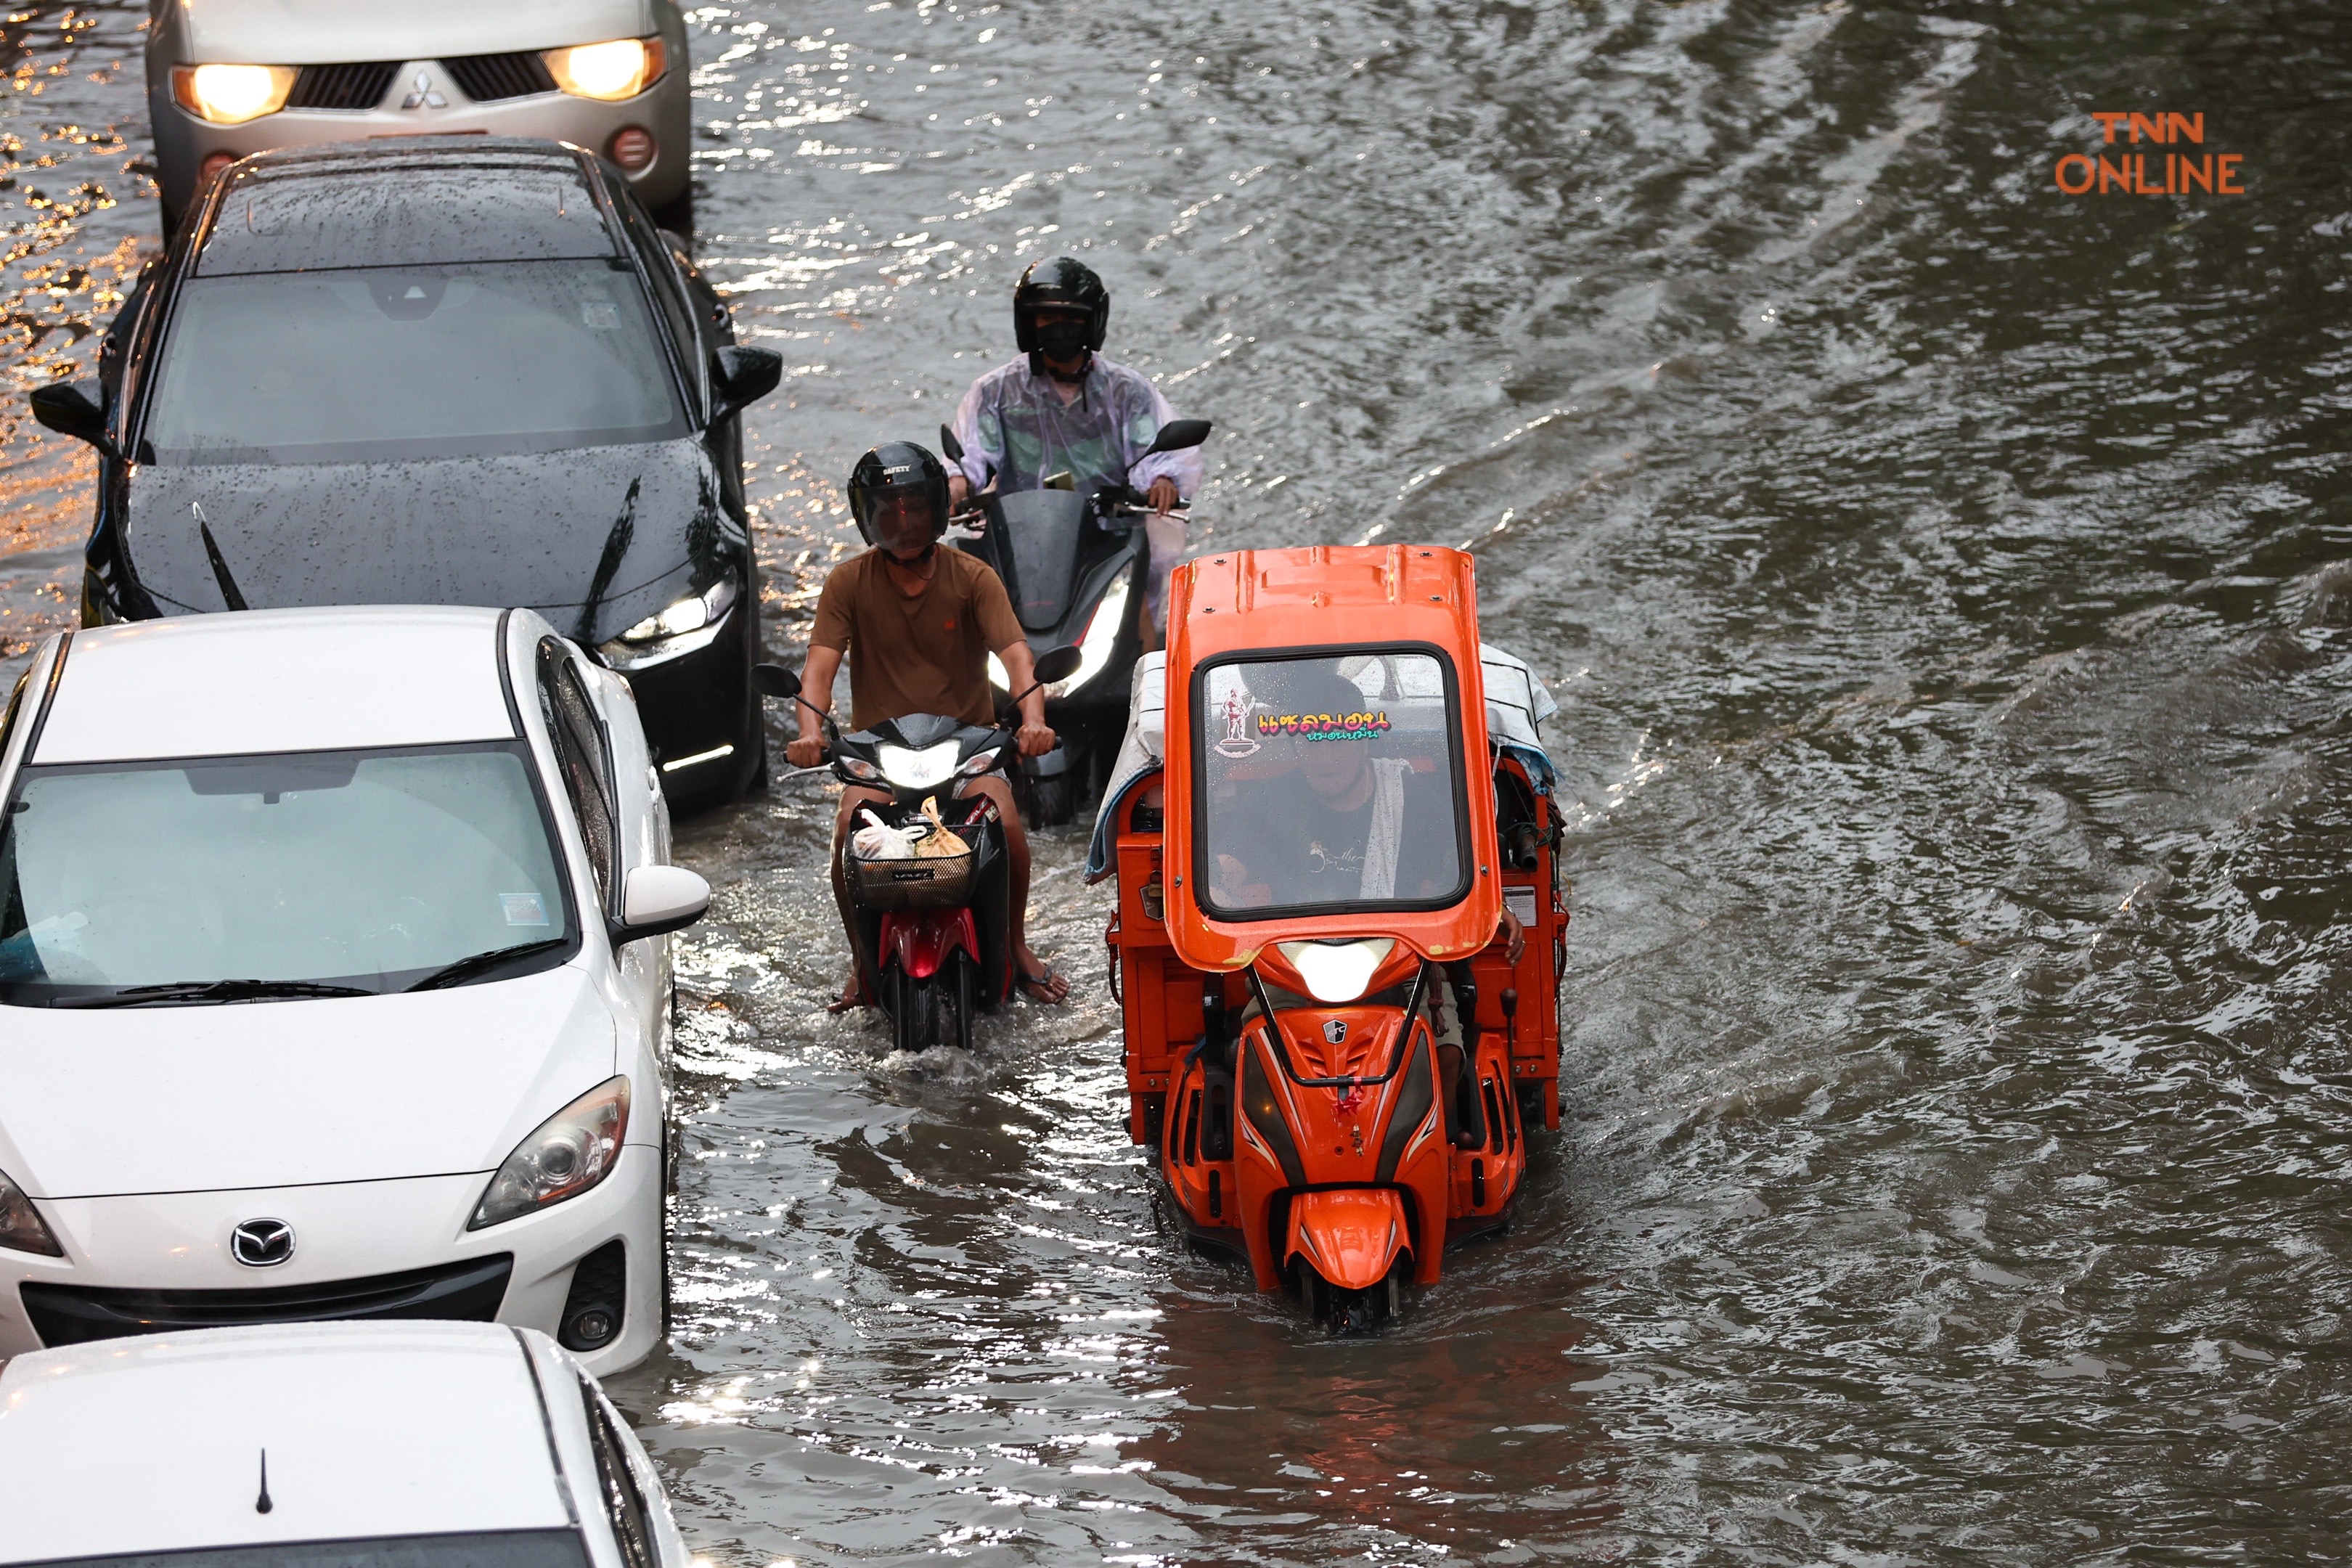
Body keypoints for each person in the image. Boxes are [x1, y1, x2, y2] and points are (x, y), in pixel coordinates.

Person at [788, 441, 1071, 1005]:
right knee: (849, 832)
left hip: (967, 751)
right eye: (888, 509)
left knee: (1008, 826)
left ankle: (1015, 946)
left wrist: (1033, 719)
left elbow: (1017, 656)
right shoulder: (847, 583)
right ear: (866, 516)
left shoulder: (972, 577)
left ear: (938, 509)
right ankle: (863, 963)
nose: (904, 520)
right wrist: (810, 733)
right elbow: (818, 671)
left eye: (915, 506)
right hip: (879, 755)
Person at [947, 256, 1203, 640]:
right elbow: (972, 453)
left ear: (1093, 321)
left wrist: (1163, 478)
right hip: (1022, 541)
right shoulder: (995, 392)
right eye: (1046, 318)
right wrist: (958, 484)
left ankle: (1150, 679)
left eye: (1072, 319)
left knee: (1145, 636)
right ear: (1029, 322)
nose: (1059, 329)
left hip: (1109, 541)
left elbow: (1154, 445)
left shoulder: (1127, 391)